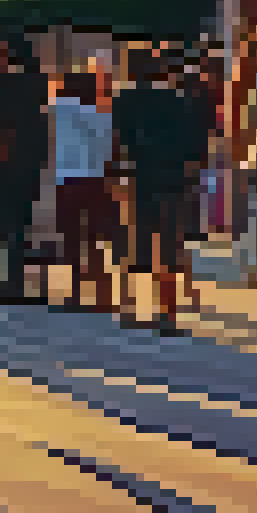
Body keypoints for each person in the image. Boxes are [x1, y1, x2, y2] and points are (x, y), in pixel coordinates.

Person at [118, 45, 202, 335]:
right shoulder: (180, 101)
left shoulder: (125, 99)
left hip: (140, 177)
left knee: (134, 242)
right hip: (174, 180)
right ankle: (167, 313)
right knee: (167, 245)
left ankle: (128, 307)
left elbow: (120, 141)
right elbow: (195, 146)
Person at [0, 31, 53, 305]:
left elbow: (1, 127)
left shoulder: (7, 82)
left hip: (10, 160)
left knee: (6, 224)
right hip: (31, 160)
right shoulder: (38, 80)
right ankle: (17, 283)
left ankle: (8, 284)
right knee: (21, 225)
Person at [51, 69, 119, 314]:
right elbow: (111, 150)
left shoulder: (61, 109)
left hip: (67, 182)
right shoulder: (105, 116)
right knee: (93, 239)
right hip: (96, 182)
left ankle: (76, 292)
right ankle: (105, 294)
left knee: (71, 240)